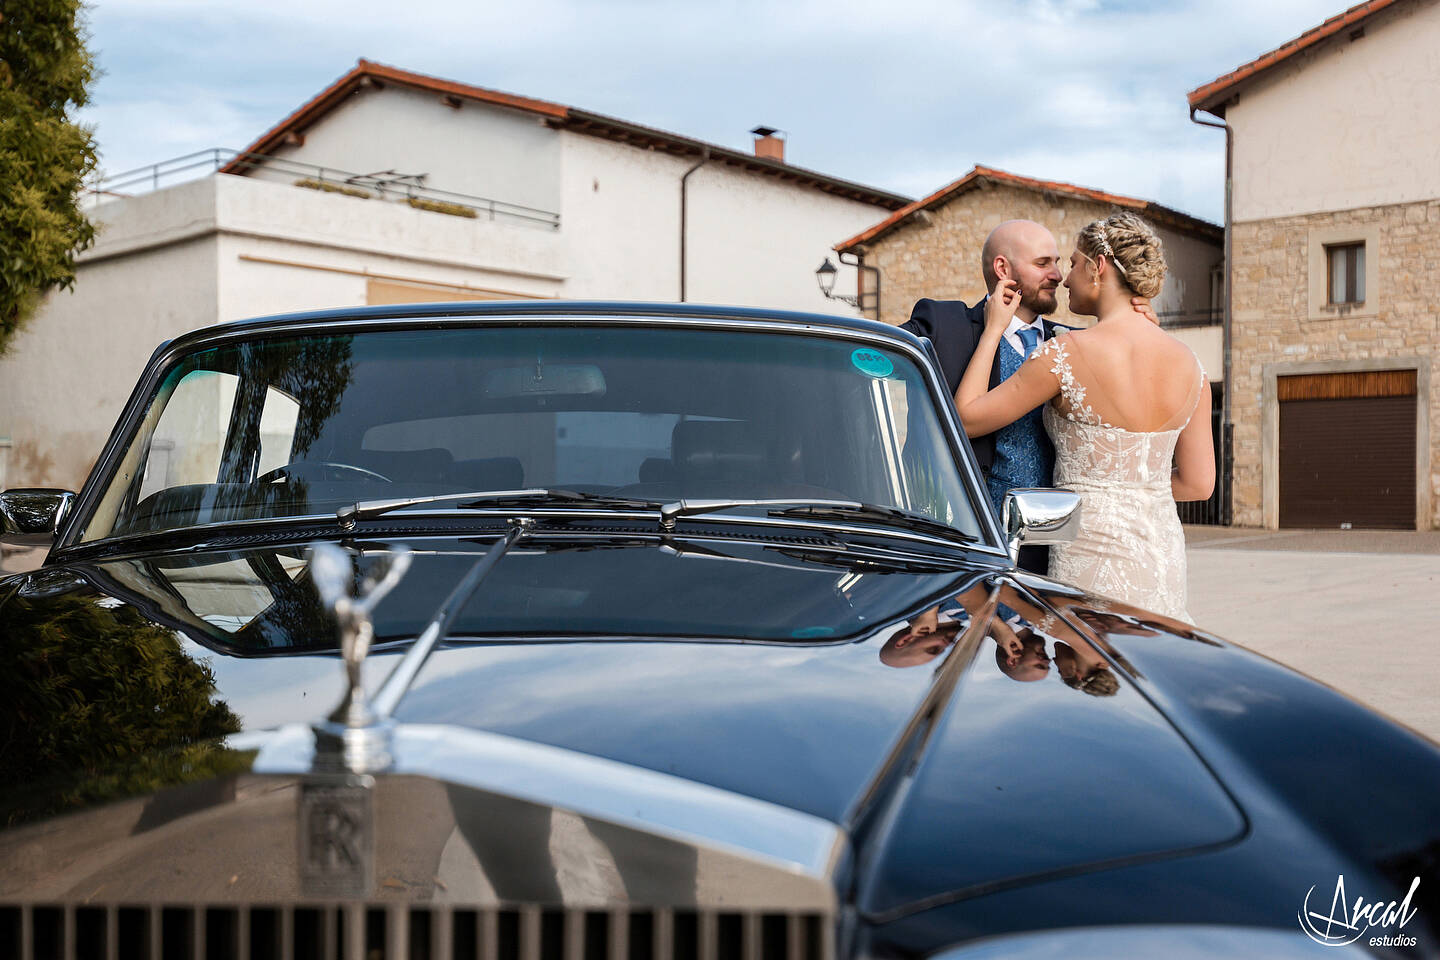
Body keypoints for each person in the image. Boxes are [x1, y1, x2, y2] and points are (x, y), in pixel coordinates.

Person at [953, 212, 1215, 620]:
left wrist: (993, 329)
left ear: (1100, 267)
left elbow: (966, 419)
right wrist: (1131, 489)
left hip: (1091, 554)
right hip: (1161, 557)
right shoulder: (1191, 365)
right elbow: (1199, 484)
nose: (1065, 277)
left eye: (1073, 263)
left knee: (1085, 666)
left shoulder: (1065, 355)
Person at [903, 220, 1155, 574]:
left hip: (1056, 551)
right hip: (964, 546)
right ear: (1003, 268)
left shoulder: (1076, 345)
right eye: (1042, 264)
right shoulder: (944, 324)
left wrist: (1139, 334)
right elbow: (867, 356)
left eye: (1058, 262)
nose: (1058, 275)